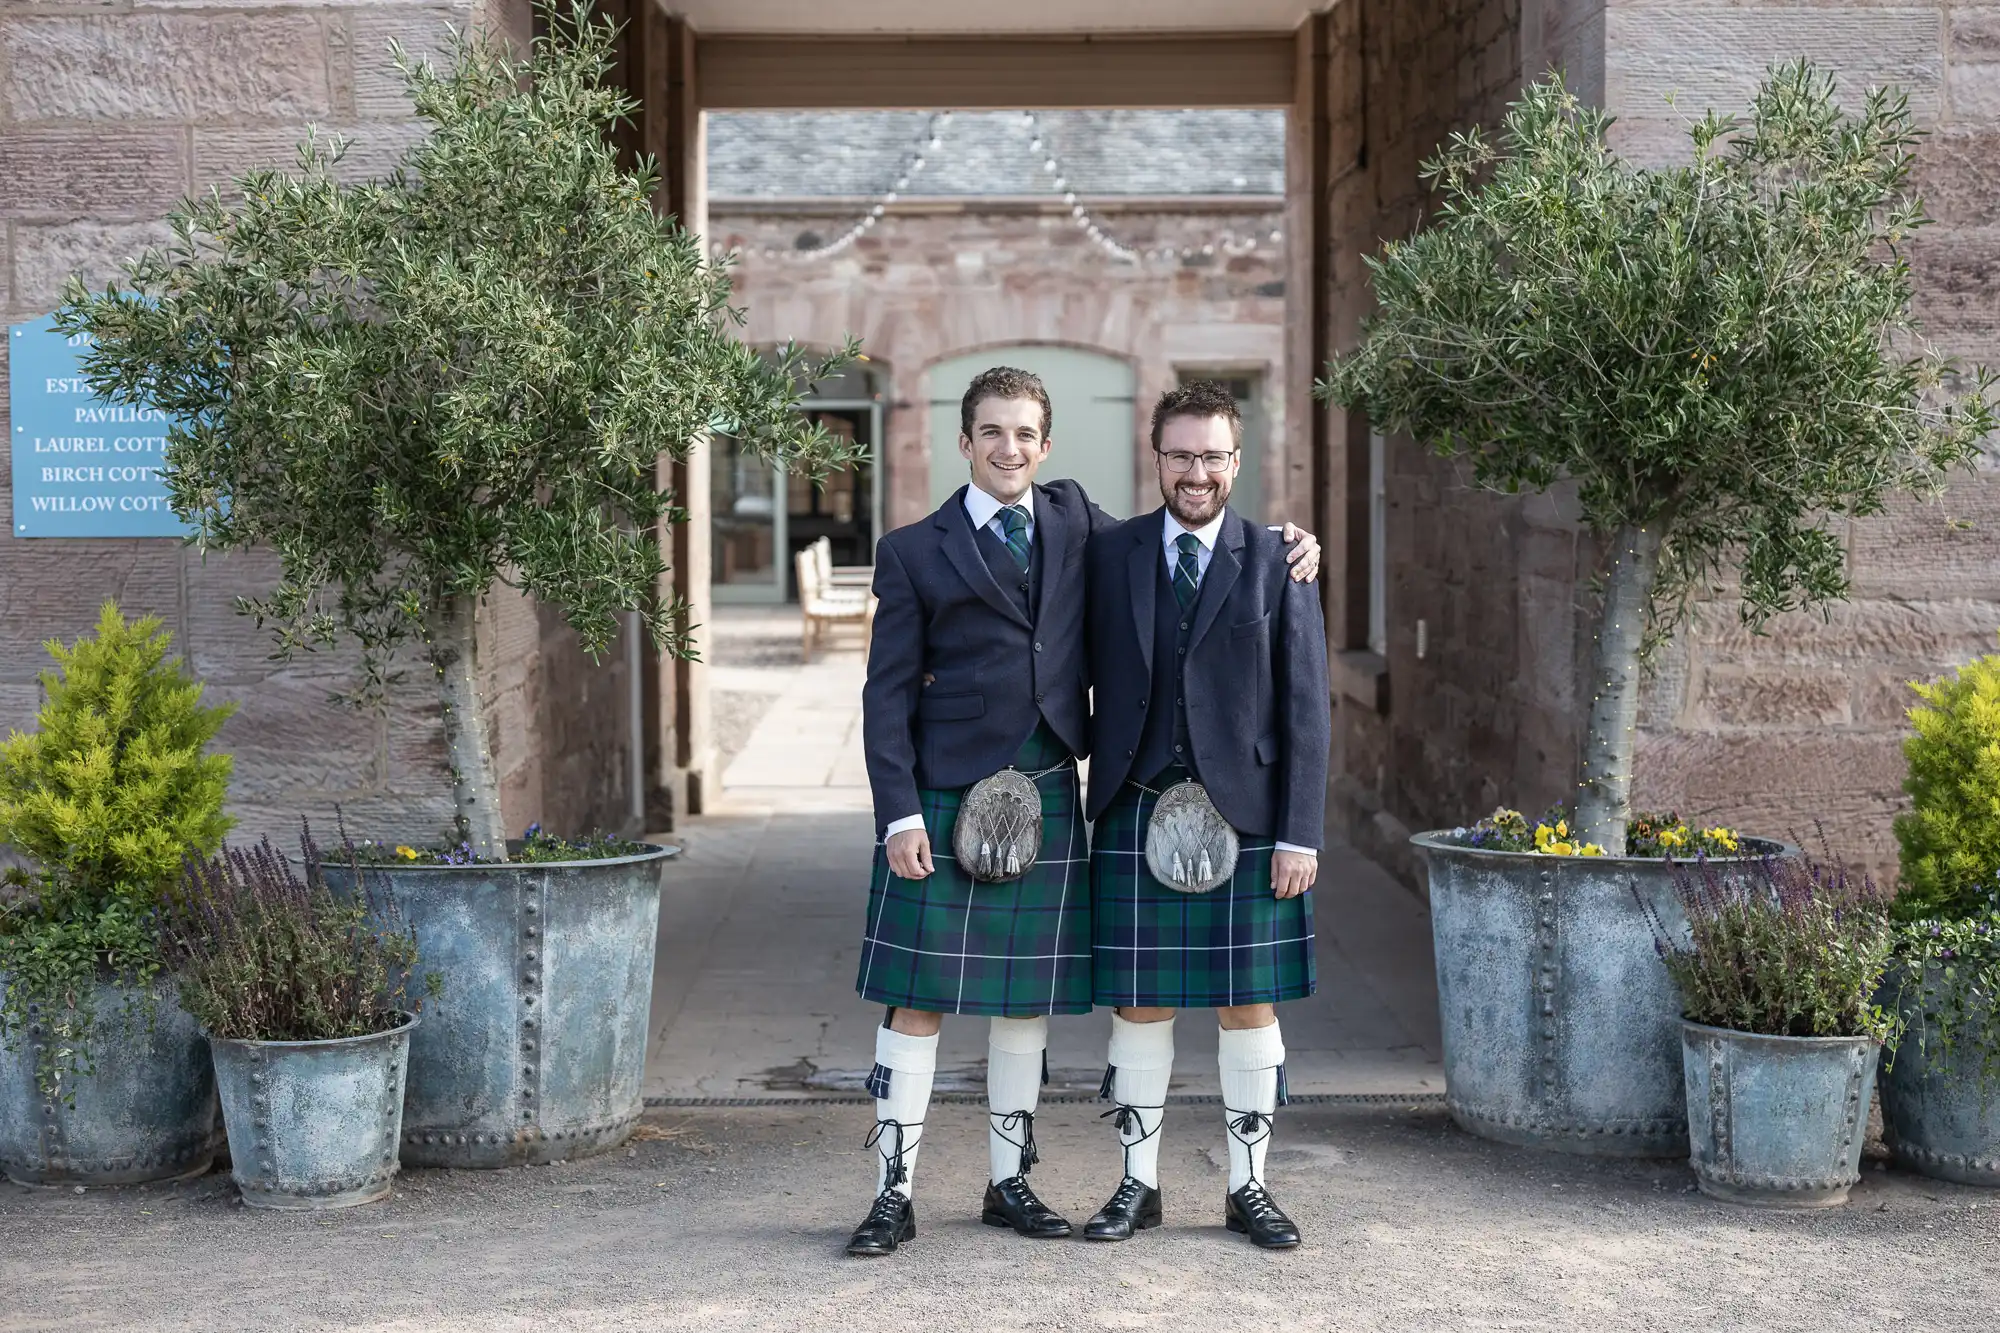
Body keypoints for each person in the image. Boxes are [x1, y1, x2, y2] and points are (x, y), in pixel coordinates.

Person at [847, 367, 1319, 1257]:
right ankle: (892, 1194)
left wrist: (1296, 540)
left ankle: (1011, 1181)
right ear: (965, 440)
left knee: (1026, 1001)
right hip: (949, 789)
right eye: (992, 432)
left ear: (1048, 445)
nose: (1009, 447)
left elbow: (1207, 553)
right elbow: (885, 695)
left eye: (1025, 433)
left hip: (1057, 782)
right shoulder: (914, 548)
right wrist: (899, 812)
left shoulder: (1081, 524)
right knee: (916, 1000)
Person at [1078, 380, 1332, 1250]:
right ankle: (1136, 1186)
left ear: (1236, 460)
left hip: (1252, 816)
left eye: (1212, 455)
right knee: (1140, 1005)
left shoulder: (1277, 559)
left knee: (1248, 1004)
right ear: (1155, 457)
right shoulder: (1110, 551)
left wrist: (1300, 831)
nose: (1197, 471)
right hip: (1136, 804)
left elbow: (1307, 707)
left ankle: (1249, 1189)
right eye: (1181, 454)